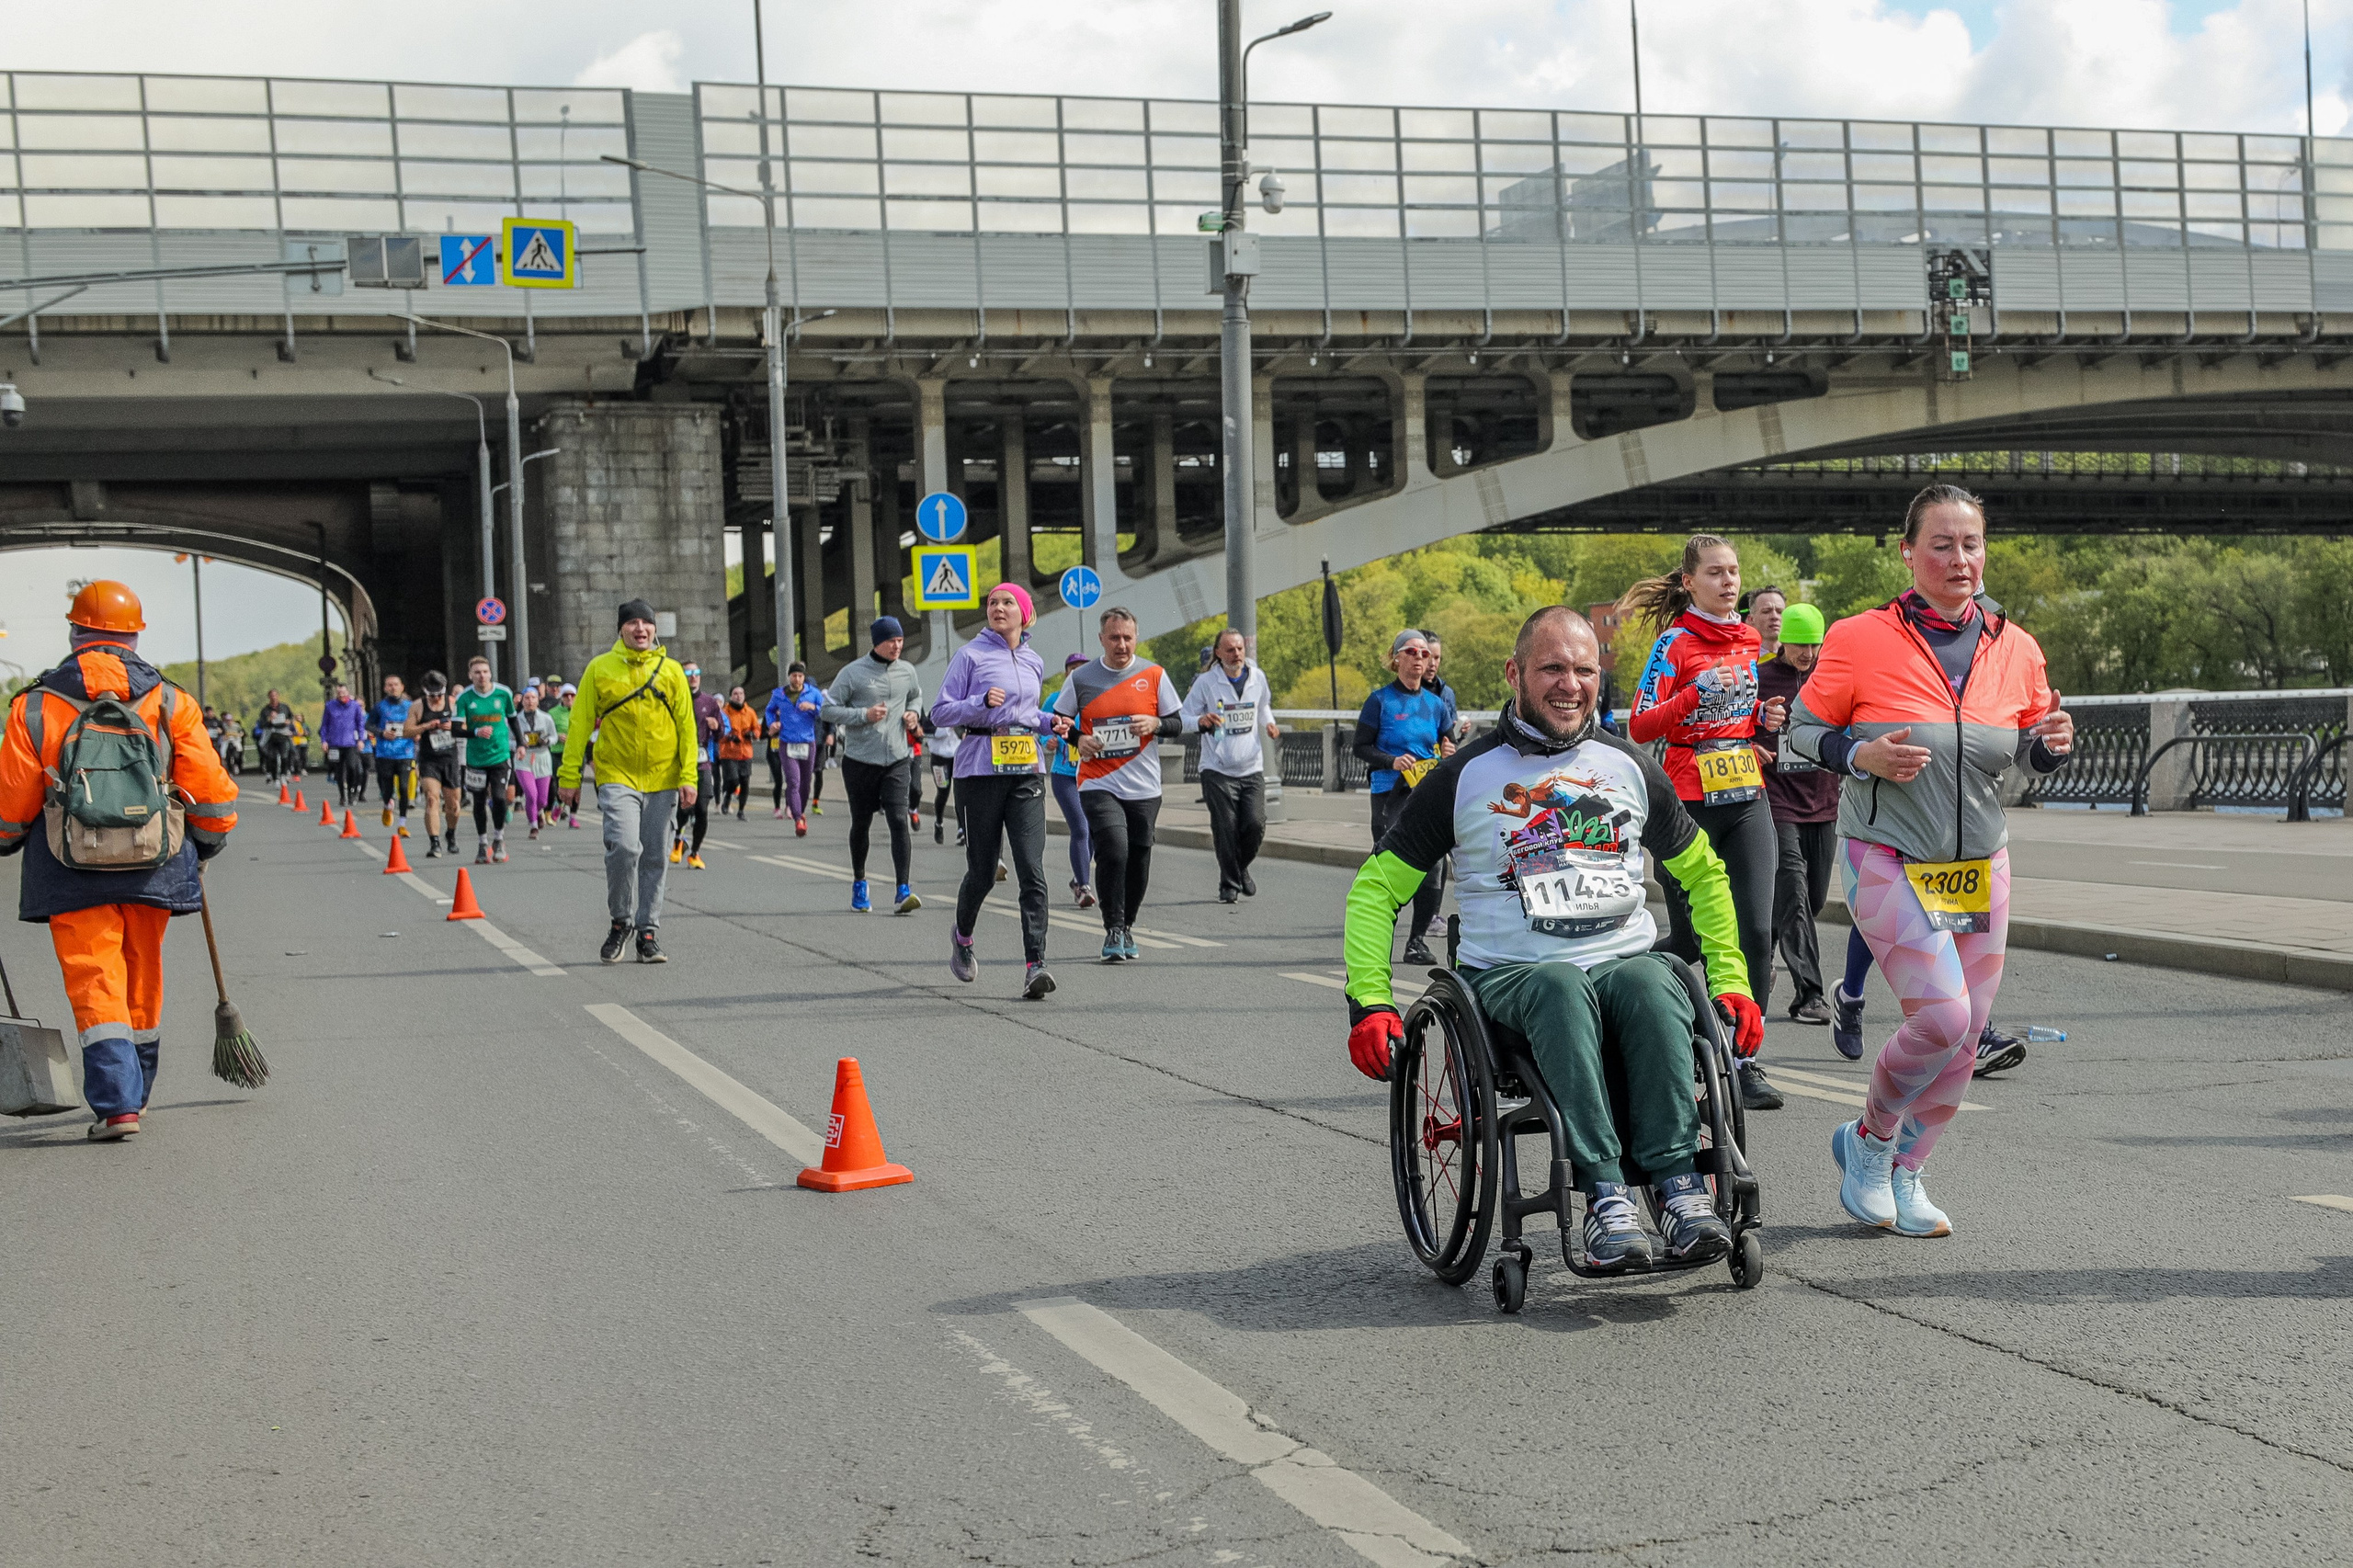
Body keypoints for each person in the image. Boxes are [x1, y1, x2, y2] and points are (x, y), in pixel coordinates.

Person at [1341, 607, 1761, 1271]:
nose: (1570, 685)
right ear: (1515, 674)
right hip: (1512, 975)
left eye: (1585, 670)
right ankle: (1605, 1194)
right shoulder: (1465, 774)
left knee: (1655, 980)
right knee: (1562, 986)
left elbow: (1703, 873)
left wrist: (1731, 979)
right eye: (1553, 669)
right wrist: (1371, 1001)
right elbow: (1375, 890)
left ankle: (1680, 1187)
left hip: (1620, 962)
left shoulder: (1627, 764)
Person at [1787, 483, 2074, 1237]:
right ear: (1907, 552)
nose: (1959, 559)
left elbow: (2029, 749)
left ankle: (1908, 1171)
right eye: (1941, 545)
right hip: (1887, 852)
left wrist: (2047, 748)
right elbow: (1799, 734)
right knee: (1941, 1015)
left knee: (1968, 1029)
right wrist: (1861, 754)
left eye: (1971, 544)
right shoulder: (1858, 637)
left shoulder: (2015, 646)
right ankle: (1871, 1141)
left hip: (1978, 862)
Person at [0, 581, 240, 1141]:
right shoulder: (171, 700)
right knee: (142, 973)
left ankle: (117, 1104)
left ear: (74, 632)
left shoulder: (34, 704)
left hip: (70, 864)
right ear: (134, 635)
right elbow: (210, 789)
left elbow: (12, 801)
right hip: (153, 859)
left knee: (95, 977)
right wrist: (208, 840)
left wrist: (7, 837)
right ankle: (138, 1093)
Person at [1624, 535, 1788, 1114]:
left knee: (1758, 930)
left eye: (1735, 572)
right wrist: (1691, 697)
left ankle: (1742, 1059)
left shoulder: (1748, 637)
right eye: (1715, 573)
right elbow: (1641, 728)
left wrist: (1763, 719)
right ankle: (1634, 977)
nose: (1728, 582)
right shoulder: (1675, 642)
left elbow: (1743, 717)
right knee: (1694, 938)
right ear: (1690, 582)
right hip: (1687, 803)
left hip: (1745, 793)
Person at [931, 583, 1060, 1000]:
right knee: (983, 872)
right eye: (992, 603)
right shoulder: (970, 655)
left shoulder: (1034, 659)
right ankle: (963, 937)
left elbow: (1025, 713)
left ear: (1025, 614)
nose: (998, 608)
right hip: (979, 770)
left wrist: (1048, 723)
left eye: (1007, 602)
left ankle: (1035, 965)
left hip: (1026, 769)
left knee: (1031, 868)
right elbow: (941, 711)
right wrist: (980, 702)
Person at [559, 599, 699, 963]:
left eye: (647, 623)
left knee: (655, 856)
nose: (641, 629)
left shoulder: (671, 672)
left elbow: (686, 727)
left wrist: (688, 776)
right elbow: (579, 724)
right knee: (623, 847)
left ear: (655, 629)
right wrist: (569, 774)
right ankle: (620, 922)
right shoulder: (600, 669)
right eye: (633, 623)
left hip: (664, 777)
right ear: (621, 629)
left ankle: (647, 932)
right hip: (616, 775)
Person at [1052, 606, 1184, 962]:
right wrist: (1077, 738)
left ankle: (1127, 925)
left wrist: (1155, 724)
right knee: (1114, 848)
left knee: (1139, 855)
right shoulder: (1083, 678)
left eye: (1127, 637)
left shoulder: (1154, 675)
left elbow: (1178, 722)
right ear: (1101, 639)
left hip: (1144, 786)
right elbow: (1058, 721)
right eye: (1114, 638)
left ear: (1136, 638)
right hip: (1098, 781)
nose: (1121, 645)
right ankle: (1112, 927)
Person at [1753, 602, 1839, 1025]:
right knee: (1794, 892)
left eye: (1814, 644)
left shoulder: (1832, 677)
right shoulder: (1762, 678)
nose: (1807, 653)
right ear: (1783, 640)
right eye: (1800, 644)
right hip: (1777, 800)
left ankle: (1757, 954)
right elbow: (1736, 728)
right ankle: (1810, 995)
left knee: (1812, 897)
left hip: (1824, 802)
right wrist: (1754, 745)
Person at [1353, 630, 1456, 967]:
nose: (1419, 658)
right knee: (1393, 868)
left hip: (1426, 793)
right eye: (1412, 652)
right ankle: (1376, 939)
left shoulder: (1436, 704)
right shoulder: (1379, 701)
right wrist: (1392, 761)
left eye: (1425, 654)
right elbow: (1360, 746)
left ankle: (1416, 942)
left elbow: (1446, 742)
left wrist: (1448, 750)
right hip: (1390, 793)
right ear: (1396, 658)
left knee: (1433, 867)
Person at [821, 617, 926, 914]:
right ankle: (859, 881)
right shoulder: (852, 673)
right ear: (877, 642)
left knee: (897, 819)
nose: (897, 646)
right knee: (861, 823)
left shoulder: (907, 671)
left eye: (901, 640)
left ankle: (902, 890)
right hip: (859, 761)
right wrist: (863, 715)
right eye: (891, 641)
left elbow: (915, 696)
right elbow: (828, 710)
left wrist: (913, 714)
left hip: (896, 758)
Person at [1181, 626, 1279, 903]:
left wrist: (1268, 723)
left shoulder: (1257, 677)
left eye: (1239, 649)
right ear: (1218, 653)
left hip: (1251, 766)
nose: (1236, 654)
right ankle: (1230, 883)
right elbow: (1184, 716)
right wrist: (1201, 721)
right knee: (1226, 826)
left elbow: (1262, 706)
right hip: (1217, 767)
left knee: (1255, 824)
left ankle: (1239, 869)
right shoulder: (1206, 683)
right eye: (1230, 650)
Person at [452, 656, 519, 864]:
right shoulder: (464, 698)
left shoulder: (503, 693)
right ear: (470, 675)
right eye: (477, 672)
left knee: (500, 798)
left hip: (500, 755)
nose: (482, 676)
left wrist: (522, 744)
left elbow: (514, 720)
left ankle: (498, 838)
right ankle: (483, 843)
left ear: (490, 673)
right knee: (479, 802)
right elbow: (455, 730)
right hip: (475, 759)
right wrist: (476, 731)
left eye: (485, 672)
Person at [1047, 653, 1096, 909]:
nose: (1076, 672)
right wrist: (1048, 740)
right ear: (1066, 673)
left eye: (1082, 668)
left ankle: (1078, 877)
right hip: (1065, 776)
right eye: (1072, 668)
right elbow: (1042, 725)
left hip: (1094, 774)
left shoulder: (1096, 697)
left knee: (1096, 831)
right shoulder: (1055, 700)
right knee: (1080, 828)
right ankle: (1083, 886)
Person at [404, 671, 464, 858]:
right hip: (429, 759)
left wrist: (451, 727)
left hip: (450, 758)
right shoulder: (418, 706)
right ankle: (435, 842)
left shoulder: (453, 703)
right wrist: (426, 726)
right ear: (425, 692)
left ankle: (451, 835)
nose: (437, 698)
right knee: (432, 798)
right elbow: (406, 731)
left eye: (439, 694)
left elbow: (467, 727)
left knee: (453, 805)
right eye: (432, 696)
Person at [670, 663, 722, 870]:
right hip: (680, 760)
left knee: (701, 808)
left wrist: (716, 727)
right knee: (685, 805)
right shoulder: (674, 699)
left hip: (702, 761)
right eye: (689, 673)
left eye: (697, 673)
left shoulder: (709, 702)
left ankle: (695, 853)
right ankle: (678, 839)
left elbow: (721, 734)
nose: (693, 677)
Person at [765, 663, 823, 833]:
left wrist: (813, 707)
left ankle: (801, 812)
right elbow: (769, 711)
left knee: (806, 782)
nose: (797, 679)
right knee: (793, 781)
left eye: (800, 676)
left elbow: (826, 712)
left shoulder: (813, 693)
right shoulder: (779, 694)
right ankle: (798, 818)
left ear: (804, 677)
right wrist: (772, 723)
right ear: (789, 677)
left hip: (807, 742)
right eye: (794, 675)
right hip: (787, 742)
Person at [369, 675, 417, 836]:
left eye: (396, 685)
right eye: (389, 685)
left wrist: (417, 734)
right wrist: (381, 733)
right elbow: (368, 724)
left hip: (405, 752)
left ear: (402, 687)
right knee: (387, 789)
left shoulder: (411, 706)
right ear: (385, 688)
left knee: (403, 788)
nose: (393, 688)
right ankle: (387, 805)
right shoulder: (379, 707)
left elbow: (419, 724)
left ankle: (402, 823)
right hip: (385, 753)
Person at [513, 684, 560, 839]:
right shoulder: (515, 720)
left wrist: (546, 741)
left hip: (542, 758)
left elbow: (554, 736)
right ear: (522, 701)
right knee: (531, 795)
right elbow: (507, 740)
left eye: (533, 698)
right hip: (523, 759)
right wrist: (520, 744)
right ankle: (533, 825)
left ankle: (539, 811)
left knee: (542, 799)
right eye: (527, 698)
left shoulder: (546, 718)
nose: (530, 701)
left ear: (538, 700)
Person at [320, 682, 367, 808]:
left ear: (348, 692)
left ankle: (352, 791)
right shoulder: (330, 706)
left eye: (343, 693)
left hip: (350, 742)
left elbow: (360, 724)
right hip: (335, 743)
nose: (341, 696)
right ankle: (342, 795)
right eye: (339, 693)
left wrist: (361, 740)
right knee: (339, 771)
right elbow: (324, 725)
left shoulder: (355, 706)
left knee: (352, 767)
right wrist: (324, 741)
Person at [717, 684, 758, 821]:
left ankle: (741, 811)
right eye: (735, 693)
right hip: (729, 752)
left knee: (745, 781)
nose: (738, 696)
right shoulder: (724, 712)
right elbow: (718, 731)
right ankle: (728, 796)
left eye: (741, 693)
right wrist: (728, 736)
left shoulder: (750, 712)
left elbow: (757, 729)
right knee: (733, 779)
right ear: (730, 696)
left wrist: (753, 734)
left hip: (745, 752)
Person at [545, 683, 576, 828]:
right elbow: (546, 731)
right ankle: (558, 804)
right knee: (556, 782)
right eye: (566, 695)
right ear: (561, 697)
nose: (569, 698)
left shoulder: (580, 710)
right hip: (557, 752)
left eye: (572, 695)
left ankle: (573, 816)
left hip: (575, 752)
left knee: (577, 784)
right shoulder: (553, 713)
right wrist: (557, 736)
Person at [254, 688, 295, 786]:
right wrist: (270, 720)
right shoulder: (265, 710)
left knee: (285, 756)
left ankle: (284, 775)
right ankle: (275, 777)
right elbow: (262, 724)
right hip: (271, 736)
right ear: (269, 697)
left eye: (275, 695)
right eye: (272, 695)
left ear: (278, 695)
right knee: (272, 757)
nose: (274, 697)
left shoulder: (284, 707)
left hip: (283, 735)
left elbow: (291, 717)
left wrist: (288, 721)